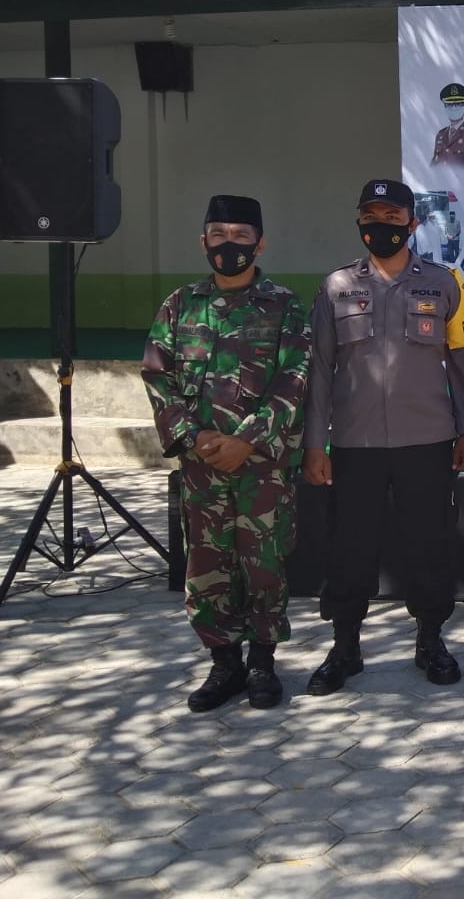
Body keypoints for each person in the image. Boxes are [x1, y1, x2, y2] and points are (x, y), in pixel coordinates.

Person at [303, 179, 464, 696]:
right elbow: (319, 370)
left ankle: (430, 639)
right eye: (371, 215)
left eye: (392, 216)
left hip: (426, 442)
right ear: (359, 222)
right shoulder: (336, 287)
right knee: (350, 545)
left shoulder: (446, 284)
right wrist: (316, 443)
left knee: (428, 543)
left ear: (412, 223)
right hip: (354, 445)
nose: (381, 226)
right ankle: (345, 645)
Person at [141, 195, 310, 711]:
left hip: (262, 468)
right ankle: (224, 664)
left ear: (260, 243)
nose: (229, 245)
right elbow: (156, 375)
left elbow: (295, 379)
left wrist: (248, 441)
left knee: (264, 563)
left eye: (240, 236)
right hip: (202, 469)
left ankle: (262, 663)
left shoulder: (284, 305)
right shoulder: (179, 305)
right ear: (204, 242)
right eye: (218, 234)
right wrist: (195, 439)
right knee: (208, 566)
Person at [431, 83, 464, 166]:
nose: (454, 108)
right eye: (449, 104)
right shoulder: (440, 135)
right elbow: (434, 165)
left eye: (458, 104)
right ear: (445, 108)